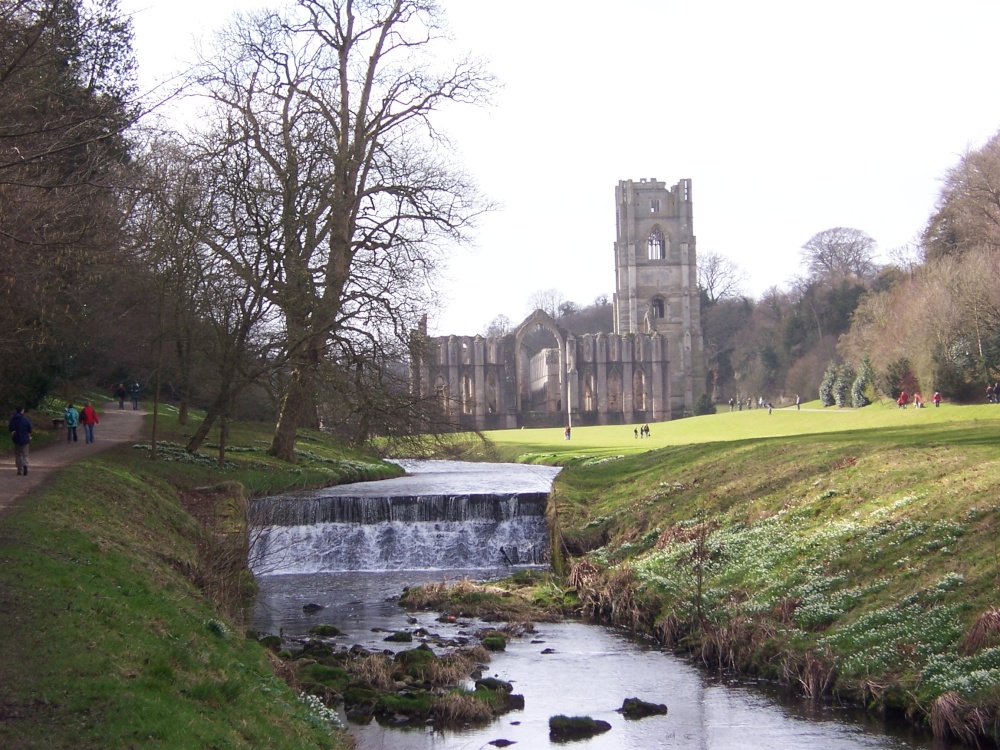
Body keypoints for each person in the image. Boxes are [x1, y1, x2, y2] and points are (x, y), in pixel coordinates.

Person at [8, 406, 32, 475]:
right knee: (25, 454)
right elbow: (30, 428)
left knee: (18, 454)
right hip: (25, 439)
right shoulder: (26, 419)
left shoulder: (13, 419)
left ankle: (19, 470)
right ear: (22, 411)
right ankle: (25, 464)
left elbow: (10, 428)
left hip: (17, 439)